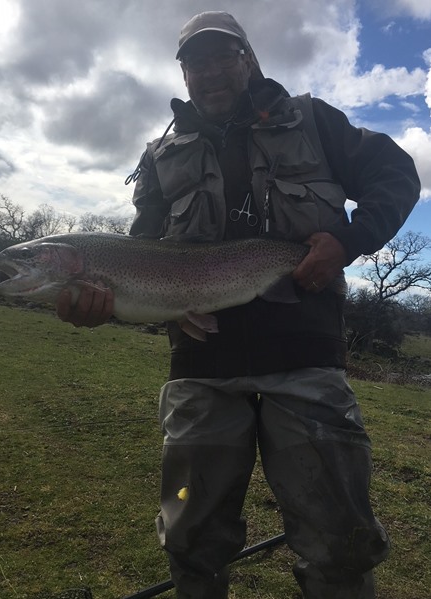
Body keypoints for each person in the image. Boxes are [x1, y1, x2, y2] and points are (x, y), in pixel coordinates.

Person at [57, 11, 421, 599]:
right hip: (201, 367)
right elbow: (141, 252)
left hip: (305, 361)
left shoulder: (315, 120)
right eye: (194, 62)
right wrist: (99, 302)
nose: (209, 71)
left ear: (248, 58)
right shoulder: (159, 156)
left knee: (339, 542)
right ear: (183, 73)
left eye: (222, 56)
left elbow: (398, 173)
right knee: (191, 542)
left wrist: (350, 240)